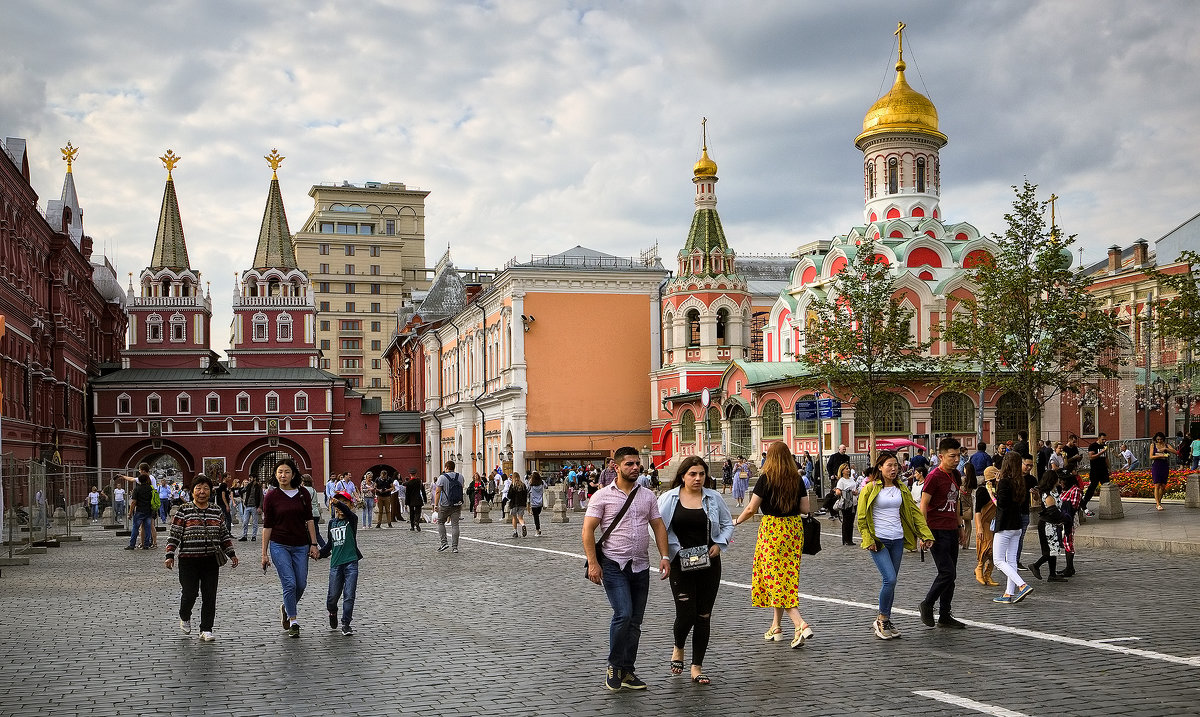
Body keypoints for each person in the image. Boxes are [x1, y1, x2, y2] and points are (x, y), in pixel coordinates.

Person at [583, 446, 670, 692]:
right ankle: (614, 665)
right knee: (623, 614)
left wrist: (664, 556)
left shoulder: (647, 496)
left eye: (637, 464)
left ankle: (627, 670)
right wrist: (593, 562)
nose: (634, 468)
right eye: (629, 464)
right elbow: (588, 530)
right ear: (616, 466)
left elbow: (658, 526)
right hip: (612, 564)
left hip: (641, 565)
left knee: (635, 622)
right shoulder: (602, 496)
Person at [658, 456, 733, 684]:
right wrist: (670, 551)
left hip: (709, 564)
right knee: (686, 613)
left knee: (703, 615)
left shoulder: (713, 498)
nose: (698, 478)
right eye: (693, 474)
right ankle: (678, 647)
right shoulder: (668, 498)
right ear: (683, 476)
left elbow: (729, 523)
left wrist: (720, 544)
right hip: (681, 563)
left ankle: (696, 667)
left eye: (701, 474)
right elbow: (658, 527)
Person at [733, 441, 813, 649]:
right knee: (785, 576)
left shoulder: (765, 479)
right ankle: (776, 627)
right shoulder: (797, 479)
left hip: (772, 530)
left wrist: (736, 521)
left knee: (772, 578)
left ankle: (800, 624)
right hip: (794, 530)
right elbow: (805, 508)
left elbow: (751, 508)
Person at [857, 450, 933, 640]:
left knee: (892, 582)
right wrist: (868, 540)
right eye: (889, 465)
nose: (893, 469)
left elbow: (914, 513)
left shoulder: (902, 488)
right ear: (880, 467)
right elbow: (861, 518)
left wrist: (925, 534)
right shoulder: (869, 488)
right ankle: (881, 619)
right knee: (889, 579)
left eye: (895, 465)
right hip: (879, 541)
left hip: (897, 539)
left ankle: (887, 619)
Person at [164, 475, 238, 641]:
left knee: (209, 595)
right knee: (190, 593)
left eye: (205, 489)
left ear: (210, 492)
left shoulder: (216, 510)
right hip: (188, 560)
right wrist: (170, 554)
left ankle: (206, 629)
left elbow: (223, 534)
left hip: (210, 560)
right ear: (192, 491)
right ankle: (184, 615)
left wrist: (231, 553)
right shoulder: (184, 511)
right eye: (198, 488)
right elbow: (175, 534)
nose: (202, 492)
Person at [261, 459, 320, 638]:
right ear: (275, 474)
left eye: (286, 472)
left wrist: (314, 544)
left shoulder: (303, 493)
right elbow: (267, 525)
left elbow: (309, 519)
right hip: (279, 545)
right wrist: (264, 553)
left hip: (301, 545)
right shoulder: (271, 496)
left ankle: (286, 607)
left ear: (293, 474)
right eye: (280, 472)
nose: (283, 475)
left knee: (301, 583)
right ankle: (293, 621)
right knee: (290, 582)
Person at [917, 436, 968, 629]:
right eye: (952, 456)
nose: (956, 460)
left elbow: (956, 504)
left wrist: (960, 527)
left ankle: (945, 614)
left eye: (958, 456)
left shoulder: (955, 475)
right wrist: (923, 533)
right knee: (947, 571)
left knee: (951, 575)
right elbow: (923, 505)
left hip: (951, 530)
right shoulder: (933, 477)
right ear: (941, 456)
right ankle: (927, 603)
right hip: (935, 530)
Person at [318, 491, 362, 636]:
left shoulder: (352, 520)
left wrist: (338, 503)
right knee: (332, 597)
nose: (339, 507)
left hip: (351, 563)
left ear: (350, 505)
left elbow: (347, 512)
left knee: (349, 595)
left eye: (345, 502)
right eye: (337, 504)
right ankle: (332, 612)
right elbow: (330, 544)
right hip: (336, 564)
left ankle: (346, 623)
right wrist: (319, 553)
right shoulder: (332, 523)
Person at [991, 452, 1034, 604]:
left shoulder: (1004, 482)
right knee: (1011, 561)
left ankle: (1022, 585)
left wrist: (992, 493)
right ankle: (1008, 593)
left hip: (1005, 525)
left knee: (998, 560)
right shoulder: (1020, 481)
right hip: (1017, 525)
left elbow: (1000, 504)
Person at [1028, 471, 1068, 582]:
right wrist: (1063, 519)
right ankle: (1035, 565)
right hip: (1047, 524)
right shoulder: (1048, 494)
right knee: (1049, 551)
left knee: (1054, 549)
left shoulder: (1053, 491)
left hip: (1052, 524)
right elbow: (1053, 511)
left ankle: (1052, 574)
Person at [973, 466, 1000, 586]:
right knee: (986, 548)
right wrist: (979, 527)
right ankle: (979, 568)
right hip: (984, 523)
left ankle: (988, 574)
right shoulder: (982, 491)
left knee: (995, 551)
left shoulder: (997, 489)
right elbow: (977, 510)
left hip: (992, 523)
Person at [433, 460, 466, 553]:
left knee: (440, 522)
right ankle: (455, 547)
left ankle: (444, 543)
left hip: (445, 504)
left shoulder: (442, 477)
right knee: (455, 525)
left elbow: (438, 492)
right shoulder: (460, 476)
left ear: (446, 467)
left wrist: (436, 505)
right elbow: (462, 487)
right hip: (457, 504)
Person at [1057, 471, 1082, 577]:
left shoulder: (1075, 490)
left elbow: (1074, 506)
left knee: (1068, 542)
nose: (1061, 482)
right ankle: (1069, 567)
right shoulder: (1064, 491)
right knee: (1065, 541)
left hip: (1069, 519)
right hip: (1062, 519)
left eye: (1062, 480)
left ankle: (1070, 567)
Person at [1080, 432, 1109, 517]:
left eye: (1105, 439)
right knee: (1092, 487)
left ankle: (1107, 505)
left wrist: (1109, 468)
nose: (1104, 441)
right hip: (1095, 470)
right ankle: (1084, 502)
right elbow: (1091, 457)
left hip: (1104, 470)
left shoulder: (1104, 446)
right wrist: (1102, 452)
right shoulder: (1093, 446)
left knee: (1107, 486)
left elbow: (1106, 458)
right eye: (1103, 439)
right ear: (1099, 438)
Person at [125, 472, 156, 550]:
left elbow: (133, 502)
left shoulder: (137, 489)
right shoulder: (150, 488)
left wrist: (130, 512)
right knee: (148, 528)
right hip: (148, 510)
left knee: (135, 528)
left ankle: (132, 545)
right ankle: (146, 544)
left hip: (139, 511)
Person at [1149, 432, 1177, 511]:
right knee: (1157, 484)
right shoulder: (1153, 445)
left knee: (1163, 485)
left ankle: (1159, 501)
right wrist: (1161, 455)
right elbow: (1151, 456)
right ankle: (1157, 503)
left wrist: (1166, 449)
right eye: (1157, 439)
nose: (1159, 441)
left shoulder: (1167, 445)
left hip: (1164, 466)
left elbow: (1175, 452)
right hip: (1156, 465)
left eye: (1161, 439)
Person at [834, 463, 859, 546]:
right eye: (846, 469)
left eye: (848, 468)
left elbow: (855, 488)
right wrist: (848, 492)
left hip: (854, 502)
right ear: (842, 471)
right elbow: (838, 492)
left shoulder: (852, 479)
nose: (848, 470)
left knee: (851, 521)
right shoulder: (841, 481)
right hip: (846, 502)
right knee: (846, 521)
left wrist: (855, 492)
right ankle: (845, 539)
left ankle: (850, 539)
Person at [300, 475, 325, 550]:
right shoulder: (313, 490)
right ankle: (324, 547)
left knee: (308, 533)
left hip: (309, 514)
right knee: (316, 533)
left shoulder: (303, 490)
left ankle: (322, 548)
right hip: (316, 513)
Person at [239, 476, 263, 541]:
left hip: (255, 506)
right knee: (245, 522)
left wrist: (260, 507)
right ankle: (244, 535)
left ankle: (254, 536)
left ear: (254, 478)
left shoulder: (258, 487)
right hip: (247, 506)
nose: (250, 479)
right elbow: (241, 491)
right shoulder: (249, 485)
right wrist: (243, 487)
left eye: (251, 478)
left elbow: (261, 497)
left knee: (255, 522)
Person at [508, 472, 530, 538]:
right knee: (520, 518)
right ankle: (523, 525)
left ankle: (515, 532)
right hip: (522, 504)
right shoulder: (523, 485)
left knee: (514, 517)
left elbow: (509, 495)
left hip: (514, 504)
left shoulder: (512, 486)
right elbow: (526, 495)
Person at [528, 472, 546, 537]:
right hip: (540, 502)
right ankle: (538, 529)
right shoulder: (542, 483)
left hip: (533, 503)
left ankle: (537, 529)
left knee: (536, 517)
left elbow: (527, 489)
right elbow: (546, 486)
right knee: (537, 515)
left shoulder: (531, 484)